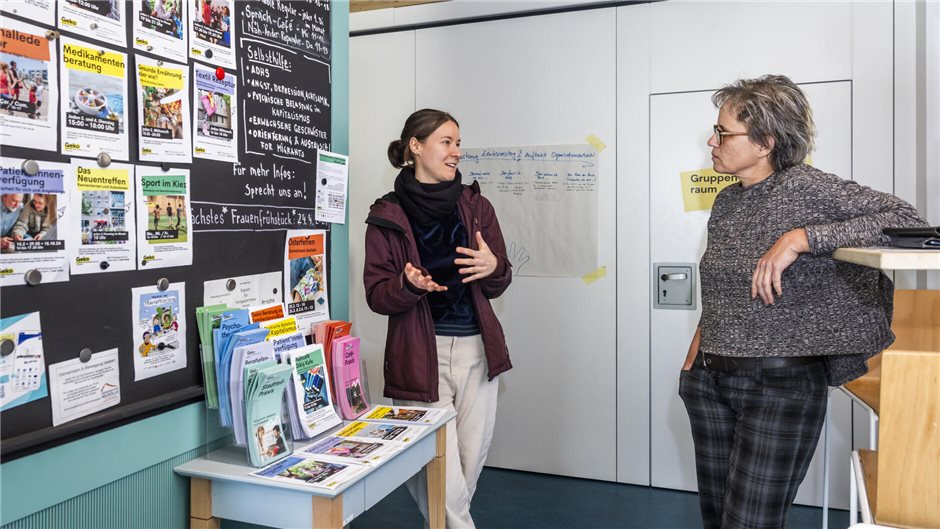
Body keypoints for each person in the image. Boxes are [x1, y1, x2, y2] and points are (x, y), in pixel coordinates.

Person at [678, 74, 927, 529]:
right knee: (715, 519)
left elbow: (908, 220)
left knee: (749, 523)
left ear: (764, 142)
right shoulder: (727, 202)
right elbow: (725, 284)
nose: (712, 141)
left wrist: (803, 238)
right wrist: (699, 343)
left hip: (780, 385)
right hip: (710, 382)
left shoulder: (806, 188)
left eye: (723, 132)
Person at [363, 109, 513, 529]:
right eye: (446, 141)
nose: (456, 152)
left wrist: (493, 266)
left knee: (465, 465)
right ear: (416, 146)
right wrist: (408, 286)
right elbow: (377, 295)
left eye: (458, 143)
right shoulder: (386, 215)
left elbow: (501, 281)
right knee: (432, 465)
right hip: (418, 354)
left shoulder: (477, 206)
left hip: (478, 354)